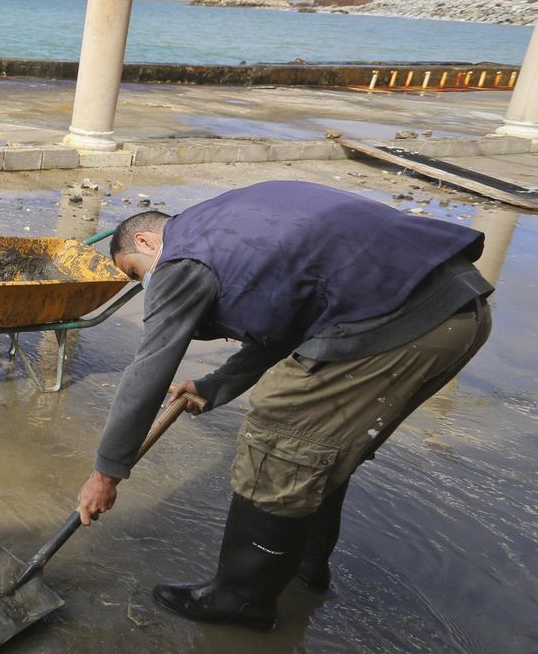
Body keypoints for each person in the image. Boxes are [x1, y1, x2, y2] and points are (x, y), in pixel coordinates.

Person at [76, 180, 493, 630]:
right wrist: (217, 384)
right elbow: (296, 323)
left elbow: (148, 369)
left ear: (145, 240)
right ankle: (305, 568)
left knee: (283, 427)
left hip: (400, 323)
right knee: (328, 445)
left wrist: (106, 473)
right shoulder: (232, 224)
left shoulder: (181, 259)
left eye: (136, 274)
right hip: (457, 309)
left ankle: (240, 597)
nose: (145, 286)